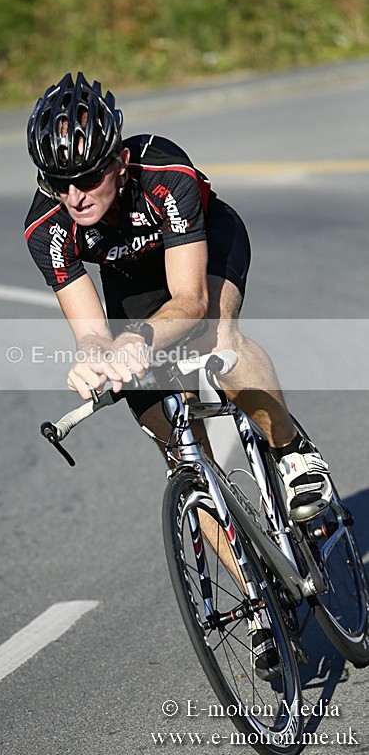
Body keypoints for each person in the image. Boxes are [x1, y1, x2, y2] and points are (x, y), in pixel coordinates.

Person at [23, 73, 330, 676]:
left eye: (87, 177)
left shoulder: (167, 175)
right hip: (134, 282)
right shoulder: (48, 228)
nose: (75, 196)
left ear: (116, 162)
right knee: (175, 443)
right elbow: (89, 329)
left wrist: (135, 340)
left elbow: (187, 301)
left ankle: (290, 450)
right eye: (58, 182)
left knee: (215, 334)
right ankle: (260, 602)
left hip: (201, 249)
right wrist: (94, 358)